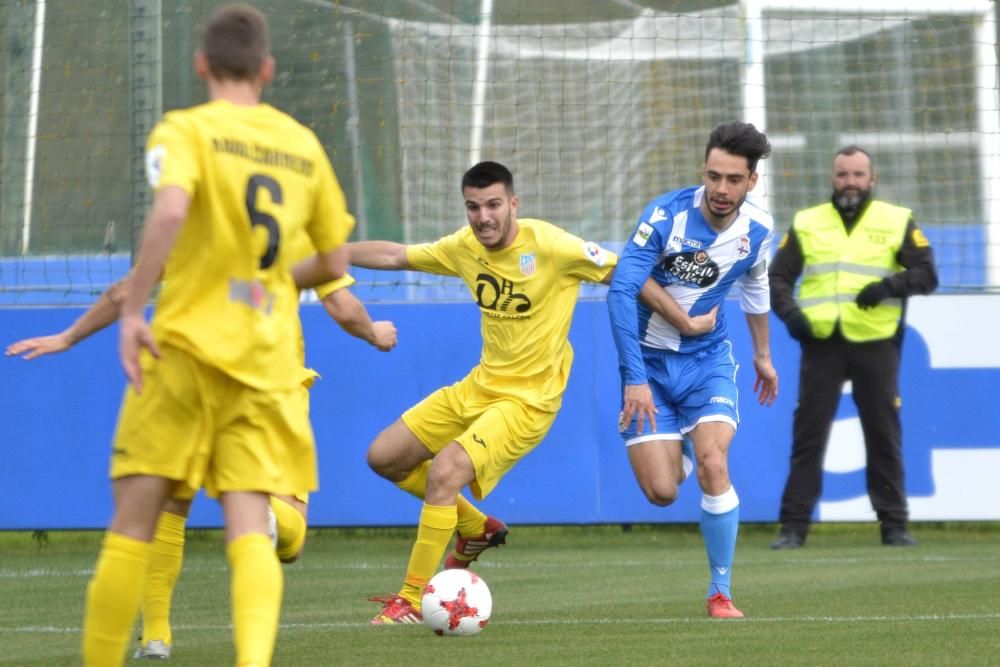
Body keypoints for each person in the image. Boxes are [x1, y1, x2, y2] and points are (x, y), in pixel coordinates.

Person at [79, 5, 354, 666]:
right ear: (267, 70)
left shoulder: (185, 129)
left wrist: (135, 309)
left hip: (181, 353)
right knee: (249, 528)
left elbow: (171, 209)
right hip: (261, 361)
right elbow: (336, 264)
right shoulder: (302, 145)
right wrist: (274, 279)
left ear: (200, 64)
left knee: (134, 524)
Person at [347, 160, 711, 625]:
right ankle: (475, 527)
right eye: (474, 207)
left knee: (444, 473)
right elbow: (396, 256)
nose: (483, 217)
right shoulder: (464, 247)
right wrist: (331, 255)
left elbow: (629, 276)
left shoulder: (553, 247)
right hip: (478, 387)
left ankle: (412, 599)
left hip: (527, 403)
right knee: (383, 456)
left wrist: (684, 321)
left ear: (513, 204)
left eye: (494, 204)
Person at [6, 268, 396, 659]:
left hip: (181, 376)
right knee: (282, 536)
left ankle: (155, 635)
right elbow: (342, 306)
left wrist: (67, 337)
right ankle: (268, 521)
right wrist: (374, 332)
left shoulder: (185, 212)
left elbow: (126, 289)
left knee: (166, 506)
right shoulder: (298, 212)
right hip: (266, 380)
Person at [607, 121, 779, 620]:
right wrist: (635, 378)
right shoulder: (665, 216)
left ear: (752, 182)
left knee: (714, 465)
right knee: (662, 493)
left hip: (707, 361)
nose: (721, 190)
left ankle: (719, 593)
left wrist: (763, 356)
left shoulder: (759, 231)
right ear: (703, 171)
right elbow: (622, 287)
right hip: (650, 366)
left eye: (733, 179)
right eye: (713, 176)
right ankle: (675, 440)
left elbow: (755, 288)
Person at [768, 145, 938, 550]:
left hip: (875, 341)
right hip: (821, 342)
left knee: (883, 433)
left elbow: (927, 274)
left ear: (872, 179)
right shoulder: (808, 222)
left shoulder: (896, 220)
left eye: (858, 175)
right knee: (808, 434)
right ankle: (793, 528)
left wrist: (887, 287)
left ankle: (893, 525)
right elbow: (777, 277)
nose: (850, 183)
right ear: (833, 177)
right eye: (843, 174)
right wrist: (792, 316)